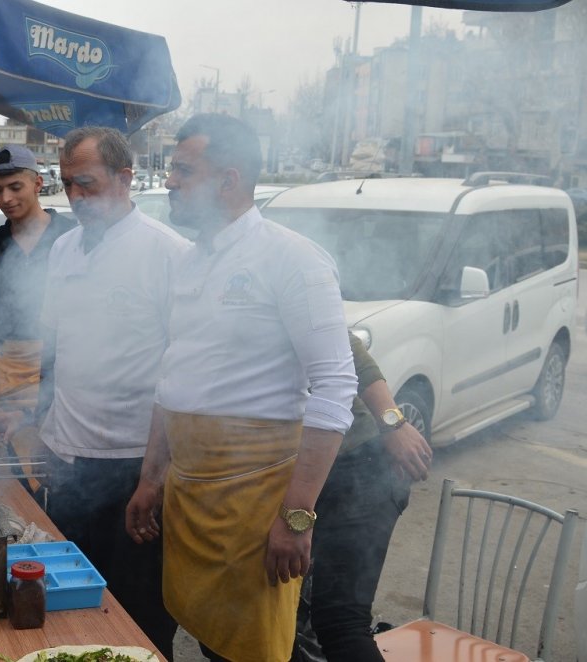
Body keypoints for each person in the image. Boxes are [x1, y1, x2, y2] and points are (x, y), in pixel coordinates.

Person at [125, 113, 357, 662]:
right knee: (212, 641)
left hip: (256, 502)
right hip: (191, 495)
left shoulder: (292, 258)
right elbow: (173, 377)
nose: (169, 181)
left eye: (183, 170)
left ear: (227, 180)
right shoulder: (188, 263)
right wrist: (150, 478)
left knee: (256, 650)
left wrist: (296, 517)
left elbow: (335, 386)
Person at [34, 126, 189, 659]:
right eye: (66, 185)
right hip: (68, 459)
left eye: (87, 184)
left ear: (125, 178)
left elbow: (184, 374)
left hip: (133, 469)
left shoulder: (168, 253)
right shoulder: (65, 249)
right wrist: (36, 427)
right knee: (72, 615)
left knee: (140, 619)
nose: (75, 197)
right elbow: (53, 347)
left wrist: (155, 477)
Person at [292, 333, 432, 662]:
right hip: (315, 477)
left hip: (360, 469)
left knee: (340, 622)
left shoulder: (285, 286)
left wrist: (393, 424)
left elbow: (345, 344)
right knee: (290, 617)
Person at [0, 145, 77, 492]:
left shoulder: (70, 237)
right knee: (12, 469)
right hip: (10, 365)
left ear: (38, 184)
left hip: (62, 363)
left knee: (53, 469)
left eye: (15, 187)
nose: (6, 198)